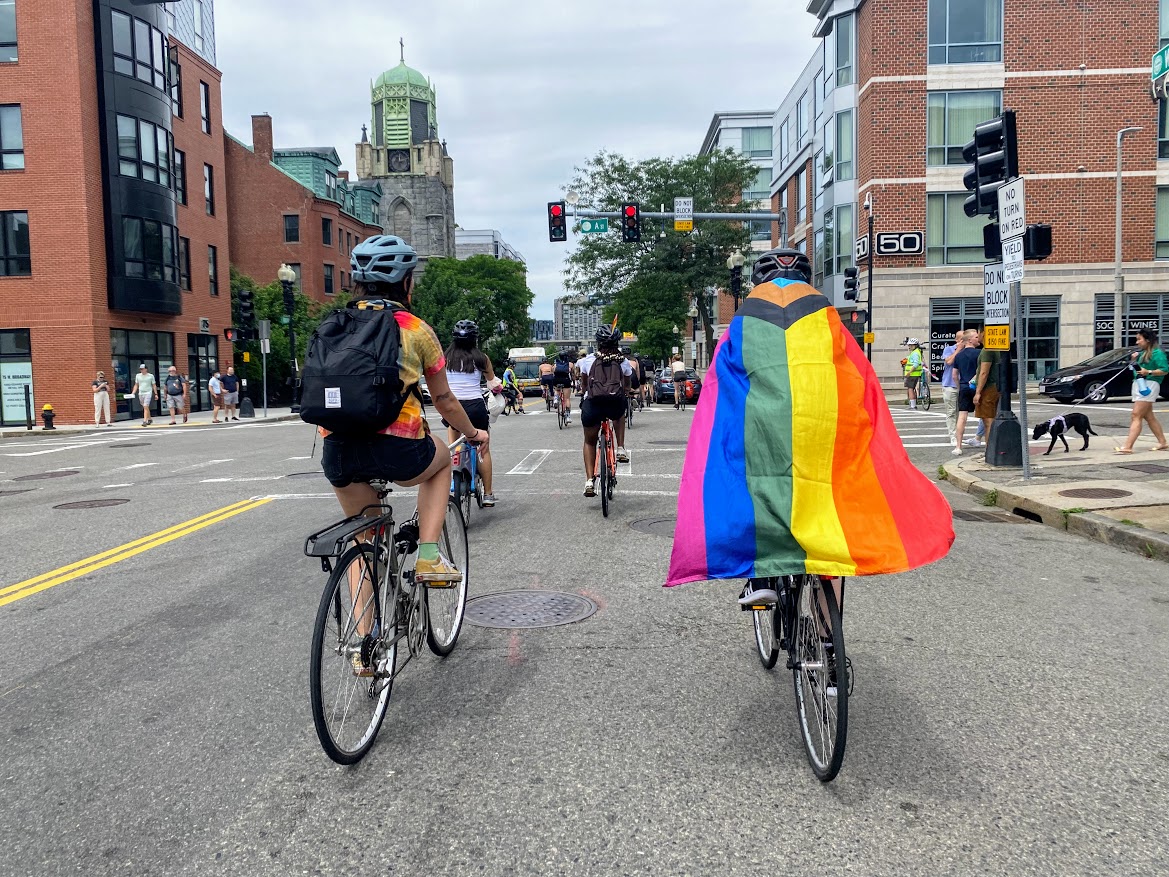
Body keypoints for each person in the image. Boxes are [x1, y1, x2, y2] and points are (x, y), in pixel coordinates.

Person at [666, 246, 953, 633]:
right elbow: (858, 373)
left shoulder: (745, 317)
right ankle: (827, 633)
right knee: (826, 511)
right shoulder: (827, 314)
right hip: (823, 425)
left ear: (758, 279)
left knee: (756, 485)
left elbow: (722, 381)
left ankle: (764, 579)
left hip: (764, 427)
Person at [321, 237, 488, 673]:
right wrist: (472, 434)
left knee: (363, 541)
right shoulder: (415, 328)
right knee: (441, 463)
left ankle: (363, 647)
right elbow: (446, 401)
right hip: (400, 448)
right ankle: (430, 553)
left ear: (357, 281)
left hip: (339, 450)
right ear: (406, 282)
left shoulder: (332, 324)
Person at [443, 320, 498, 506]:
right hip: (475, 406)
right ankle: (489, 494)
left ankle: (455, 472)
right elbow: (493, 383)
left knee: (454, 440)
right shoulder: (482, 358)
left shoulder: (444, 358)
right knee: (483, 447)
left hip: (452, 407)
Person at [579, 326, 632, 496]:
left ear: (598, 343)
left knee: (589, 441)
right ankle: (621, 448)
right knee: (619, 412)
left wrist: (585, 393)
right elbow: (627, 385)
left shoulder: (588, 360)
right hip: (614, 402)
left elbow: (584, 385)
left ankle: (589, 481)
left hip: (593, 403)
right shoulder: (622, 361)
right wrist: (625, 393)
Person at [1115, 328, 1169, 454]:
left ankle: (1128, 446)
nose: (1137, 342)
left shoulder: (1158, 354)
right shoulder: (1142, 354)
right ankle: (1162, 442)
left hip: (1149, 385)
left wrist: (1149, 372)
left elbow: (1165, 370)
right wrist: (1134, 361)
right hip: (1140, 384)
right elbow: (1137, 370)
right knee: (1149, 416)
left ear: (1148, 340)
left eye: (1139, 339)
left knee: (1136, 415)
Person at [951, 330, 982, 456]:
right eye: (976, 337)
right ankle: (984, 442)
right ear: (970, 340)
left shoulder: (959, 356)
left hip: (963, 387)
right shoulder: (980, 354)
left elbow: (954, 375)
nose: (978, 338)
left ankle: (958, 446)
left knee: (962, 417)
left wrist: (960, 386)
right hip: (977, 388)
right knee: (985, 416)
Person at [973, 335, 1001, 444]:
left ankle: (990, 450)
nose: (977, 336)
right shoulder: (996, 349)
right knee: (990, 419)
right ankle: (991, 449)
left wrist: (978, 392)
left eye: (977, 333)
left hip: (988, 388)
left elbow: (984, 372)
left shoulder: (987, 350)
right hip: (995, 387)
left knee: (988, 420)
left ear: (983, 333)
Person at [940, 331, 964, 446]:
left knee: (961, 412)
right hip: (949, 385)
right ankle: (952, 435)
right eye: (961, 339)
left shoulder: (967, 350)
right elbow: (949, 361)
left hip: (962, 385)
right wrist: (958, 350)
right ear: (957, 340)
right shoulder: (949, 349)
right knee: (951, 412)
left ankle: (958, 435)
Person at [902, 338, 924, 410]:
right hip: (915, 374)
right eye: (909, 345)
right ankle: (913, 405)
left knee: (910, 389)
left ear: (915, 345)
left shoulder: (915, 353)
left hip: (912, 374)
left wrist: (909, 372)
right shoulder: (916, 352)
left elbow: (916, 364)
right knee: (912, 388)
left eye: (911, 345)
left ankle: (913, 406)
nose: (910, 347)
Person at [553, 350, 574, 423]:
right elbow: (572, 375)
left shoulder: (556, 364)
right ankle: (568, 416)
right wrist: (573, 381)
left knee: (556, 390)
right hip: (566, 380)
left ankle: (556, 398)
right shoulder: (570, 364)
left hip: (557, 380)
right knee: (567, 399)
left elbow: (554, 373)